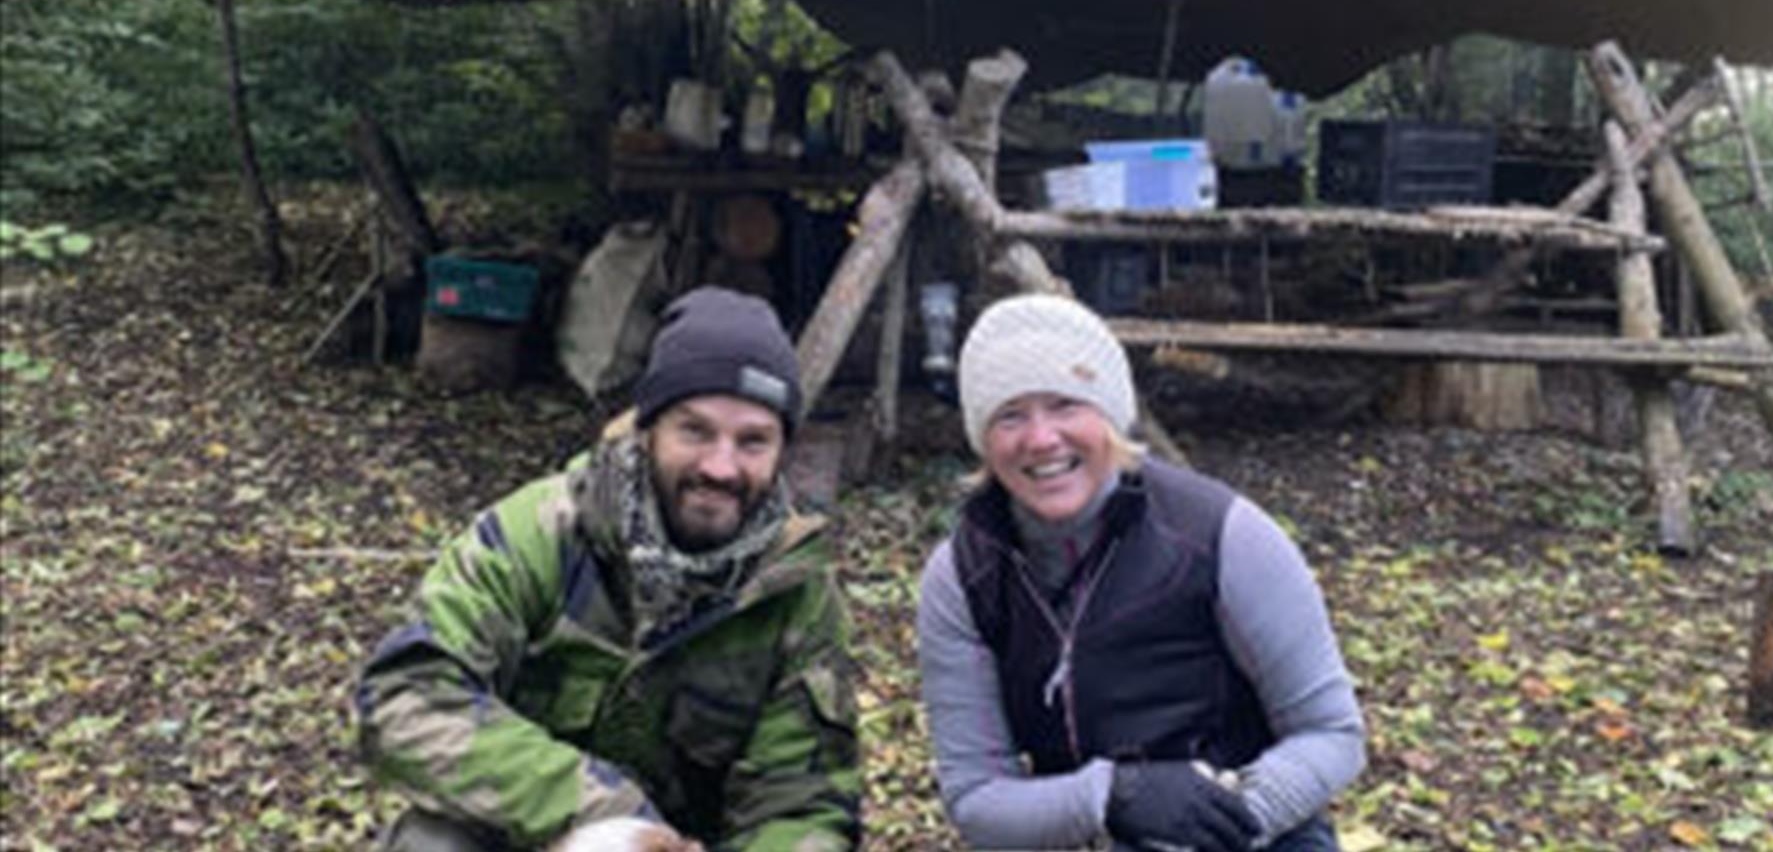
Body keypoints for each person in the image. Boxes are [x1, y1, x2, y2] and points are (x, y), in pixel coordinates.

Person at [357, 287, 861, 852]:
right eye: (695, 431)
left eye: (753, 442)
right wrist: (600, 814)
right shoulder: (541, 533)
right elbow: (405, 696)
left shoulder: (795, 593)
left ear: (782, 451)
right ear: (648, 430)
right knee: (430, 843)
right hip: (528, 833)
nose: (721, 467)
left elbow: (802, 804)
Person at [917, 294, 1365, 852]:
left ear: (1109, 413)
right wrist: (1109, 796)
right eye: (1010, 415)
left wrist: (1223, 820)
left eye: (1064, 405)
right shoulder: (963, 577)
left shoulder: (1222, 534)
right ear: (982, 438)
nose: (1040, 438)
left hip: (1253, 833)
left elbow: (1333, 733)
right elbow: (977, 798)